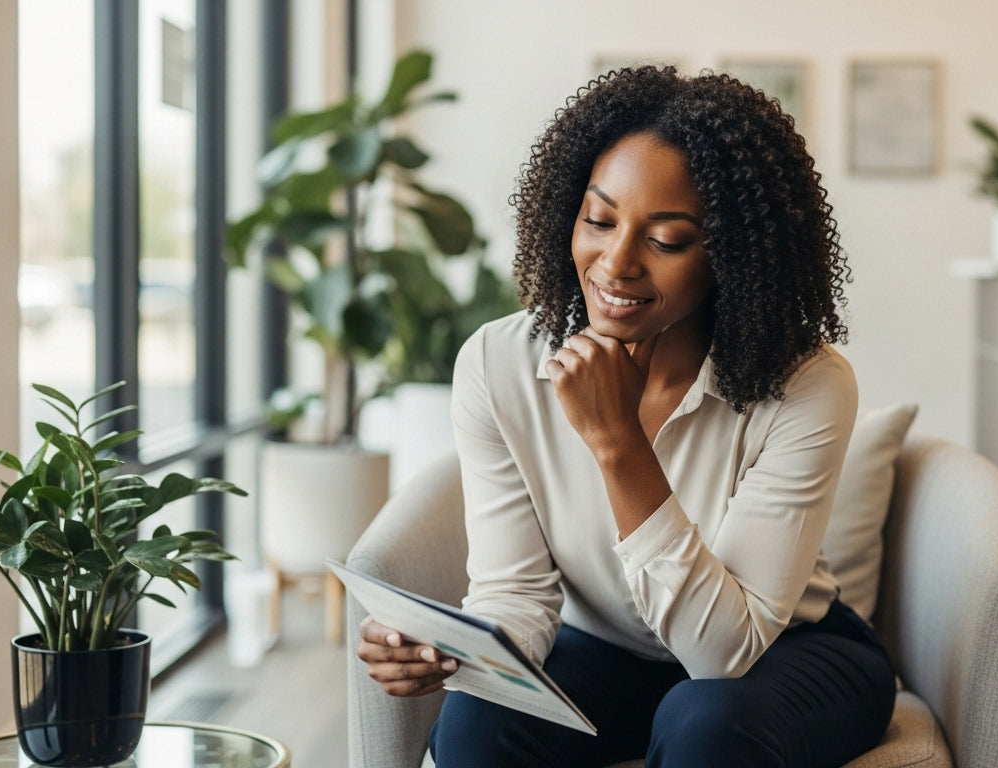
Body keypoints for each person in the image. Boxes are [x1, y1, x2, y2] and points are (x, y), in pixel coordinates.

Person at [356, 66, 897, 768]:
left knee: (704, 719)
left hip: (781, 656)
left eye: (667, 240)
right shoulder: (499, 364)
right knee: (473, 726)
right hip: (604, 652)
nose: (615, 263)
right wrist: (451, 652)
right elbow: (516, 593)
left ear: (731, 256)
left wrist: (619, 441)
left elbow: (722, 653)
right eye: (599, 220)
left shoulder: (805, 384)